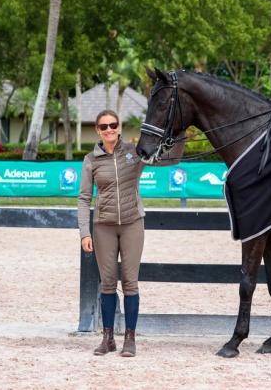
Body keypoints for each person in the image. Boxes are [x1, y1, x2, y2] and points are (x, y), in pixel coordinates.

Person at [78, 110, 182, 357]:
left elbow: (170, 160)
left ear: (119, 126)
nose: (109, 130)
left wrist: (179, 135)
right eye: (104, 127)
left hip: (132, 223)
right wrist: (84, 232)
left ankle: (130, 339)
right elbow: (83, 199)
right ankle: (108, 339)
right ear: (98, 130)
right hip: (103, 226)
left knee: (131, 282)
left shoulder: (135, 153)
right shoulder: (90, 159)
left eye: (113, 125)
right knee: (107, 283)